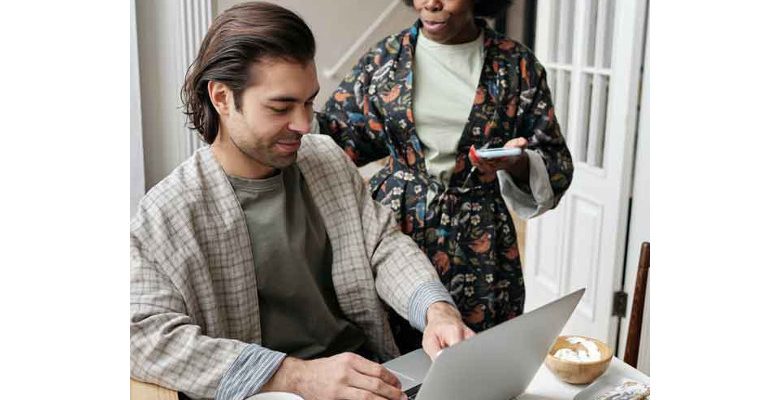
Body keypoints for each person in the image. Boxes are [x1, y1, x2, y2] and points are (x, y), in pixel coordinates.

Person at [130, 3, 473, 400]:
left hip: (369, 379)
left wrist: (436, 310)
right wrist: (296, 376)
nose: (304, 124)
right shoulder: (166, 213)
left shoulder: (325, 158)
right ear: (222, 98)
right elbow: (140, 335)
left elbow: (383, 246)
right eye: (281, 107)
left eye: (309, 102)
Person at [316, 0, 574, 352]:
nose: (430, 3)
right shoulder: (385, 59)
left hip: (480, 239)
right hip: (395, 230)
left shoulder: (517, 65)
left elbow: (555, 162)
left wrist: (515, 162)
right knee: (393, 354)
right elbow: (335, 137)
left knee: (474, 355)